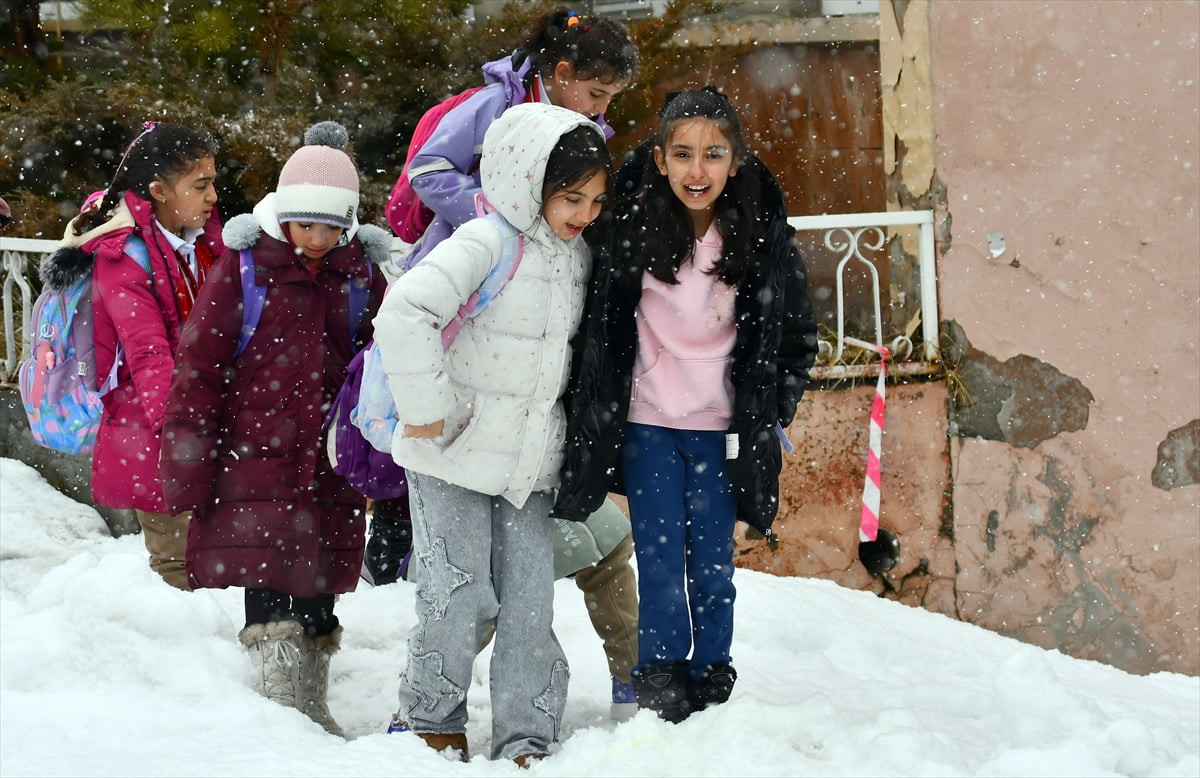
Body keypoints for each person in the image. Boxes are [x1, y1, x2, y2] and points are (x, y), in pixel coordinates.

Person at [368, 4, 643, 715]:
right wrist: (499, 217)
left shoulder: (576, 219)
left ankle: (562, 702)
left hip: (527, 429)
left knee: (538, 581)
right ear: (562, 73)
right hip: (474, 311)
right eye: (596, 93)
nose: (602, 109)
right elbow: (428, 169)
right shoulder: (495, 112)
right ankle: (430, 709)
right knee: (465, 583)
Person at [552, 87, 820, 723]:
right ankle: (661, 678)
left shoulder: (761, 238)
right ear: (661, 159)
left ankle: (711, 674)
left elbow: (795, 338)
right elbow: (598, 328)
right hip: (647, 427)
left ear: (736, 160)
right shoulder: (629, 229)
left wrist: (769, 410)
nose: (697, 170)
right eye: (682, 154)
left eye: (713, 154)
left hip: (722, 432)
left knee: (713, 566)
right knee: (659, 561)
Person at [158, 122, 391, 737]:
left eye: (331, 227)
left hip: (331, 457)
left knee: (320, 577)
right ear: (284, 214)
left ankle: (311, 701)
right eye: (305, 224)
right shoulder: (243, 270)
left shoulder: (360, 275)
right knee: (264, 575)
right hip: (252, 455)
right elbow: (199, 368)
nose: (317, 239)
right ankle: (278, 707)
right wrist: (188, 464)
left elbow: (385, 361)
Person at [38, 122, 223, 591]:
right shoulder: (127, 257)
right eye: (200, 185)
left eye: (212, 182)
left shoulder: (200, 244)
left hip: (199, 421)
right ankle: (174, 633)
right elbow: (148, 353)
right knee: (177, 564)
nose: (212, 196)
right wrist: (179, 434)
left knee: (210, 558)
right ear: (159, 191)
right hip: (155, 430)